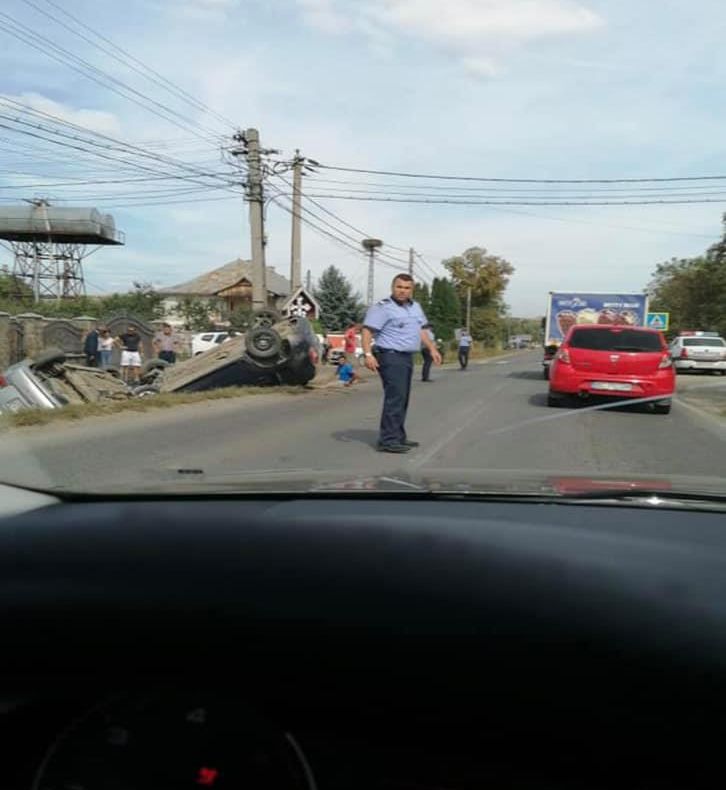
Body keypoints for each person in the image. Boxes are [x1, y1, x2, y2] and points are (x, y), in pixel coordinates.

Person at [362, 273, 442, 454]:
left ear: (411, 290)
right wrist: (368, 354)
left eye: (406, 288)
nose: (402, 291)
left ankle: (398, 436)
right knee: (395, 397)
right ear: (393, 287)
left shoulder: (416, 307)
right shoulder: (383, 308)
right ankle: (388, 440)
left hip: (406, 357)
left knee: (403, 397)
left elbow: (421, 330)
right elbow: (367, 331)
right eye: (399, 287)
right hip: (390, 356)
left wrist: (432, 348)